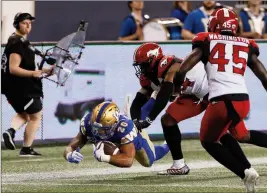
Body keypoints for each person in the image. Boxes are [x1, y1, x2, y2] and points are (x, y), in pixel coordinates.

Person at [131, 43, 267, 177]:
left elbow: (163, 97)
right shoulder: (150, 78)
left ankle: (262, 158)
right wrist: (135, 121)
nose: (141, 69)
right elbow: (138, 102)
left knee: (240, 134)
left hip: (212, 92)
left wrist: (149, 119)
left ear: (153, 60)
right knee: (168, 120)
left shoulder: (169, 65)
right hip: (193, 96)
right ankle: (179, 165)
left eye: (143, 65)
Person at [175, 7, 267, 192]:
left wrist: (176, 88)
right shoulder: (246, 44)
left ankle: (245, 172)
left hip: (221, 101)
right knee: (239, 134)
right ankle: (256, 163)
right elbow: (264, 77)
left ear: (214, 25)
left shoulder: (206, 40)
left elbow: (183, 69)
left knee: (208, 140)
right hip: (243, 101)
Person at [1, 13, 53, 156]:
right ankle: (25, 148)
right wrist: (33, 74)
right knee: (36, 115)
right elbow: (13, 68)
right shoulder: (17, 43)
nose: (28, 25)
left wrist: (44, 71)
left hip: (11, 87)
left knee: (25, 115)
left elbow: (27, 68)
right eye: (25, 23)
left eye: (30, 23)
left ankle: (10, 132)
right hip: (22, 87)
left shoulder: (19, 41)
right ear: (17, 24)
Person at [64, 101, 169, 168]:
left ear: (114, 124)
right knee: (109, 147)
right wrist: (69, 155)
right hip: (117, 139)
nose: (97, 132)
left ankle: (168, 144)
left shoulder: (124, 128)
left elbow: (128, 160)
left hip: (134, 139)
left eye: (102, 129)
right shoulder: (87, 122)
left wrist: (105, 158)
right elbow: (71, 146)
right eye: (95, 128)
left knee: (149, 161)